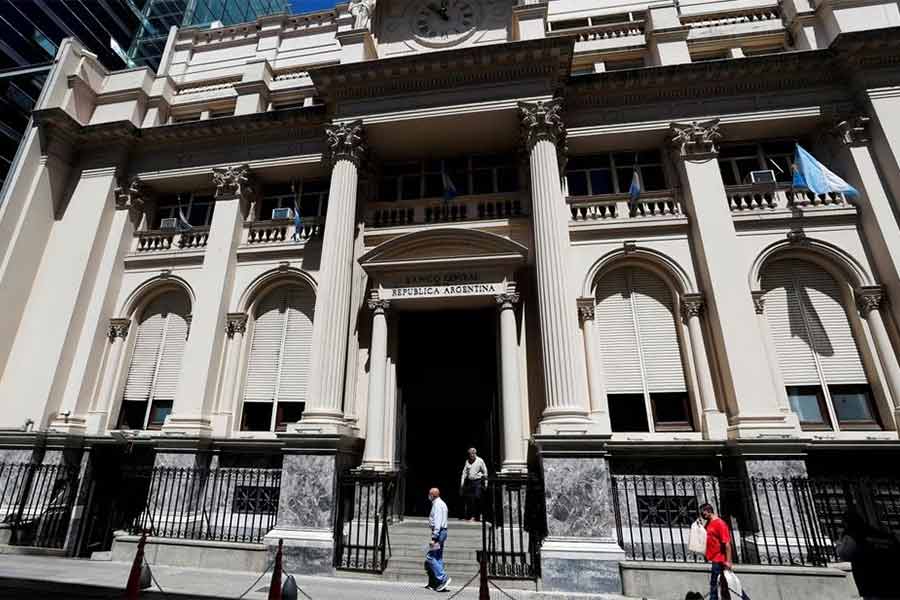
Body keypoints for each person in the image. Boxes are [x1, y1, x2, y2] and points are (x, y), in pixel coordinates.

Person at [838, 508, 900, 599]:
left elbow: (844, 554)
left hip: (867, 577)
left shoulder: (852, 535)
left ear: (846, 523)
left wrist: (840, 541)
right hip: (889, 577)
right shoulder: (877, 532)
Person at [700, 503, 732, 600]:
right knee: (722, 585)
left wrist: (728, 561)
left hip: (719, 559)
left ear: (709, 511)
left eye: (703, 513)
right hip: (714, 558)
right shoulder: (709, 522)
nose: (702, 516)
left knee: (715, 585)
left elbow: (727, 544)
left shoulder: (720, 524)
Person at [425, 487, 451, 592]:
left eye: (429, 494)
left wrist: (434, 537)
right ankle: (438, 582)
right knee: (438, 557)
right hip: (442, 532)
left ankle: (443, 578)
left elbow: (438, 522)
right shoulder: (441, 503)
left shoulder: (437, 505)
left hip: (439, 533)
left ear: (432, 495)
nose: (428, 496)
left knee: (430, 557)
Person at [459, 447, 488, 521]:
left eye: (473, 454)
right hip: (470, 482)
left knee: (477, 498)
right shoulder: (467, 461)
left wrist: (486, 483)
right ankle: (471, 516)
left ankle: (479, 515)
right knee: (470, 499)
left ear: (475, 453)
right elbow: (464, 473)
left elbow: (485, 472)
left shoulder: (480, 461)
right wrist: (462, 484)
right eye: (470, 454)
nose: (471, 455)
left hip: (478, 481)